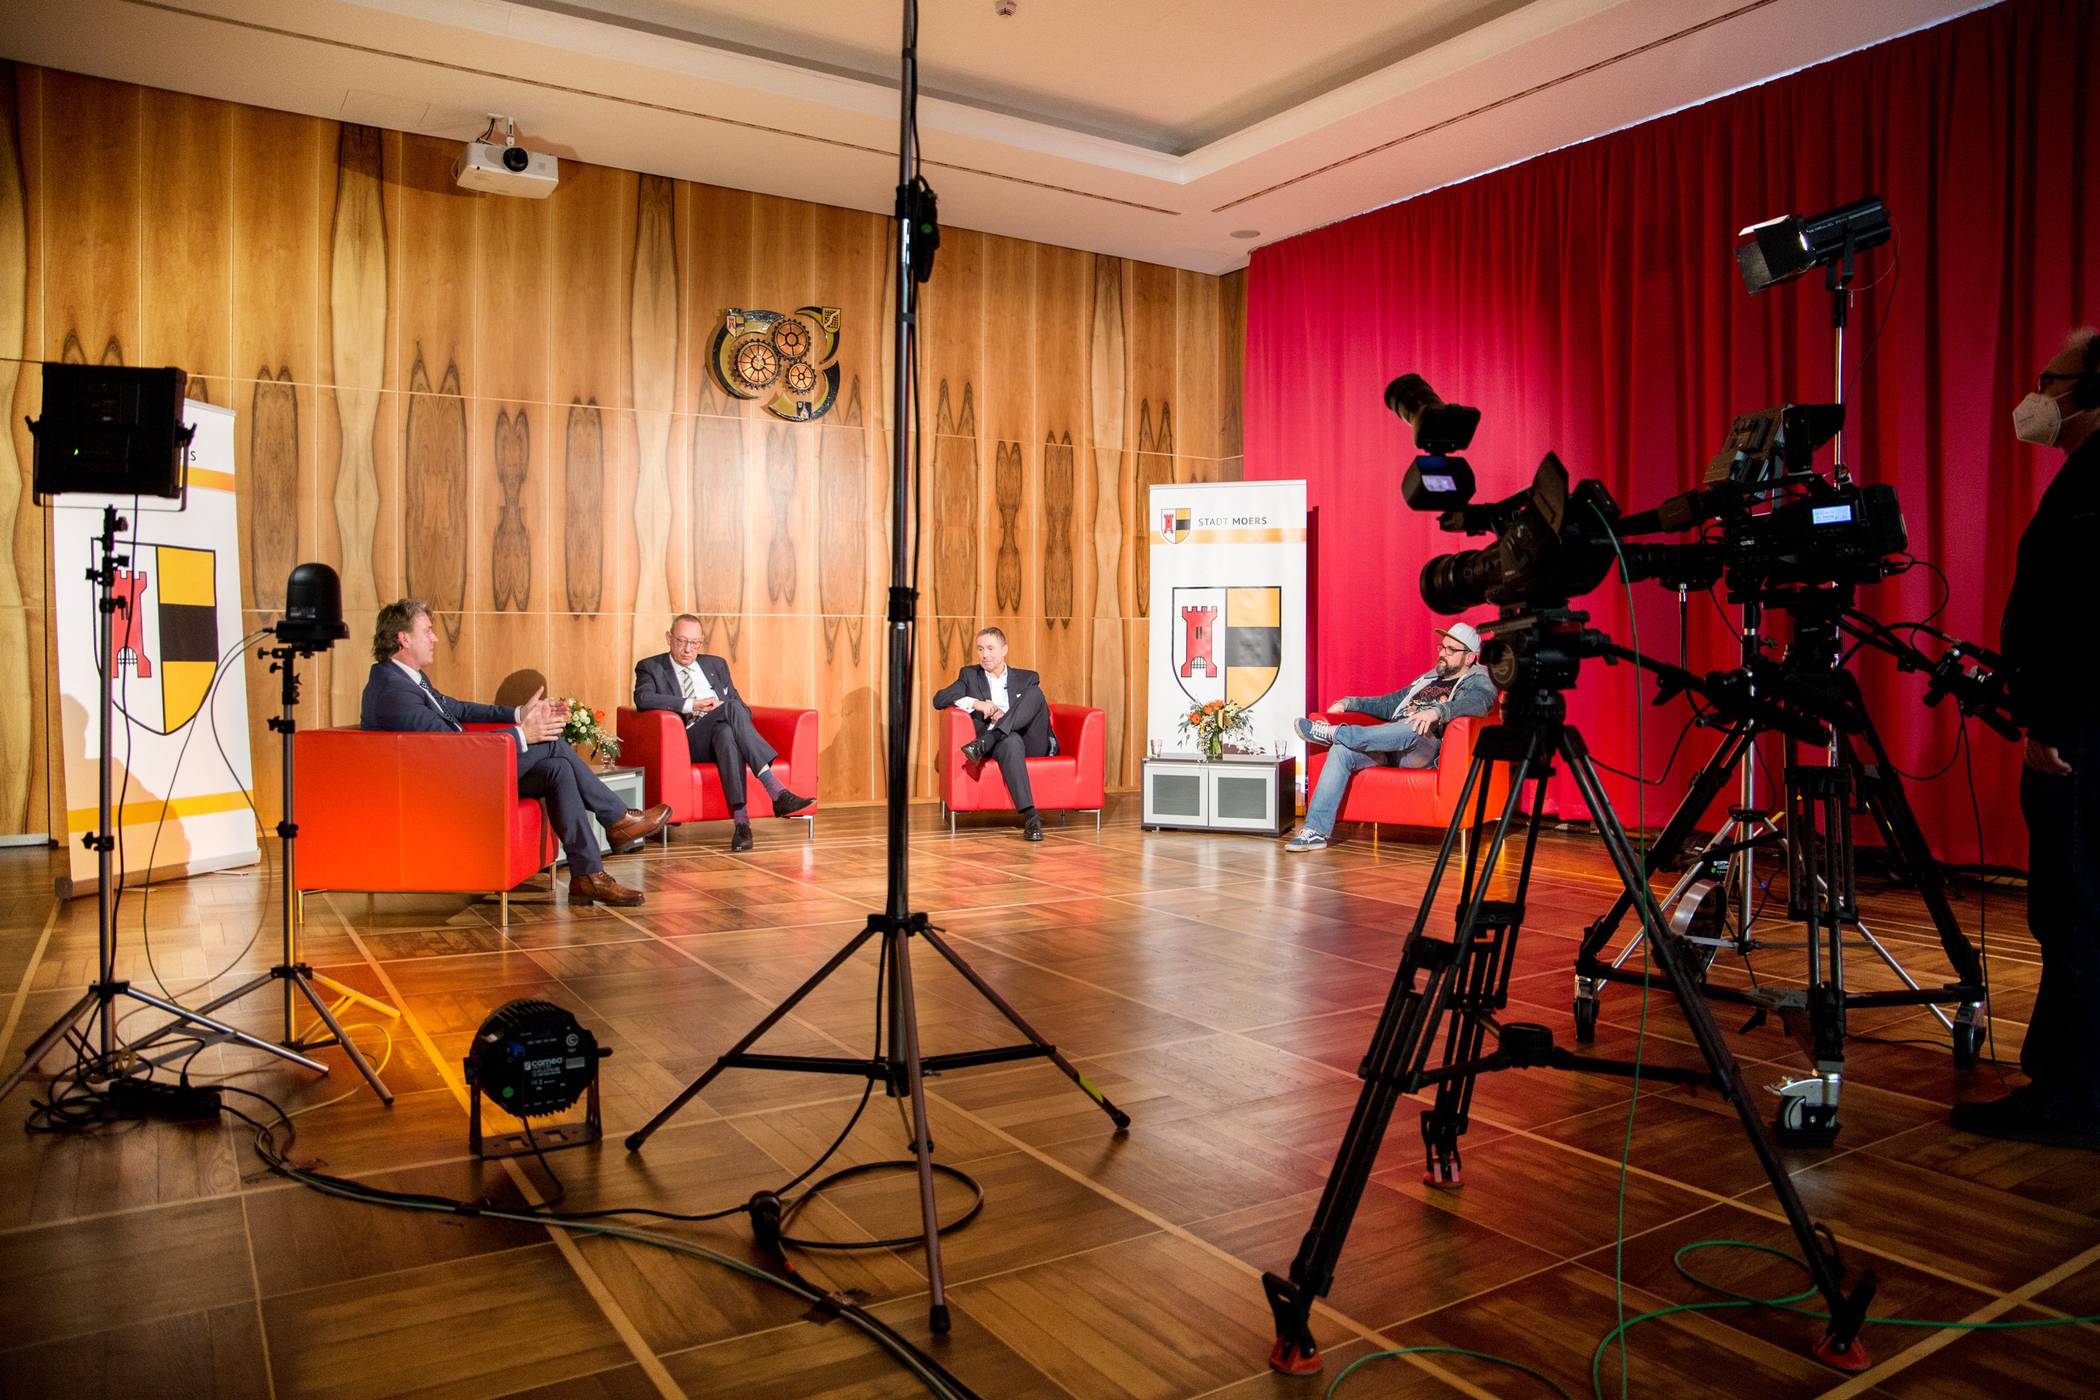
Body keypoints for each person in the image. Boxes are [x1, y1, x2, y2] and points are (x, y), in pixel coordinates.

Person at [1953, 326, 2100, 1148]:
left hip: (2077, 737)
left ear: (2087, 389)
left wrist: (2046, 722)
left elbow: (2079, 621)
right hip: (2080, 725)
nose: (2039, 390)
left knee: (2072, 912)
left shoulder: (2091, 486)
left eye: (2052, 377)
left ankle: (2069, 1098)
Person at [361, 599, 669, 907]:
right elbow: (445, 746)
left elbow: (458, 708)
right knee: (549, 742)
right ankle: (616, 818)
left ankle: (587, 876)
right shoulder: (393, 691)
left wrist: (518, 713)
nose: (435, 638)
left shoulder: (409, 679)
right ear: (404, 638)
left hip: (463, 768)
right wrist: (522, 734)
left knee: (557, 770)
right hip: (446, 784)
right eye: (427, 631)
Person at [1285, 621, 1497, 852]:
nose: (1443, 654)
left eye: (1451, 650)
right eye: (1442, 647)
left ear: (1469, 658)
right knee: (1341, 751)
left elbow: (1481, 703)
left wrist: (1438, 711)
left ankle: (1337, 733)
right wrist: (1349, 702)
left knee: (1413, 725)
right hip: (1391, 744)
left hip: (1423, 748)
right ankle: (1315, 831)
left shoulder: (1480, 678)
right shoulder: (1429, 678)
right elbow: (1389, 704)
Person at [632, 615, 815, 851]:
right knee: (729, 709)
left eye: (695, 643)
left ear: (701, 642)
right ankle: (775, 789)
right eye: (681, 641)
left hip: (720, 736)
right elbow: (643, 699)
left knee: (726, 732)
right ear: (669, 638)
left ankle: (741, 825)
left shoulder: (715, 665)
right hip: (688, 741)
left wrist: (723, 711)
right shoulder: (651, 667)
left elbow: (742, 709)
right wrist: (693, 704)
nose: (688, 649)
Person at [932, 626, 1056, 841]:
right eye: (980, 649)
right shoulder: (970, 675)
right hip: (1005, 745)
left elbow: (1029, 712)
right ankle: (1031, 817)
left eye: (990, 648)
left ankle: (987, 740)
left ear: (1004, 650)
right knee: (1011, 740)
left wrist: (1003, 716)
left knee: (1035, 695)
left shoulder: (1028, 677)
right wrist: (975, 703)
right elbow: (939, 699)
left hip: (1032, 740)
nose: (985, 654)